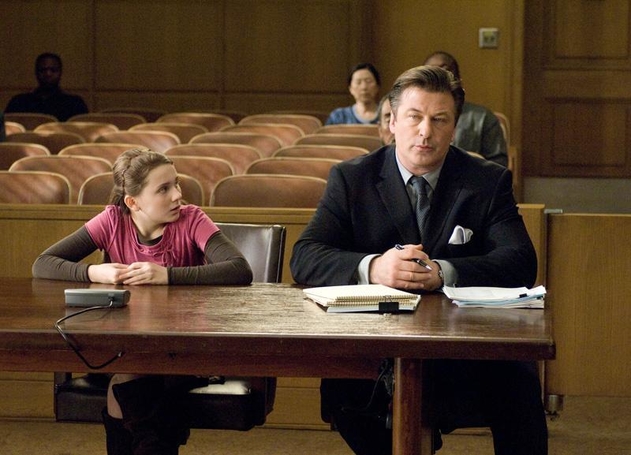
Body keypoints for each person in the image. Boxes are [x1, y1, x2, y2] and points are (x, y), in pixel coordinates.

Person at [290, 66, 547, 455]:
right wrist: (374, 267)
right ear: (392, 122)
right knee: (348, 395)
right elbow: (306, 255)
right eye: (414, 117)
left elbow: (520, 261)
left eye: (439, 120)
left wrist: (444, 272)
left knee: (519, 383)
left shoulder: (486, 180)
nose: (426, 131)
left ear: (454, 128)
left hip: (464, 344)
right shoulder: (352, 179)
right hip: (376, 342)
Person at [32, 148, 253, 455]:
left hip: (183, 349)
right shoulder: (112, 221)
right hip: (126, 346)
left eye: (176, 184)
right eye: (164, 189)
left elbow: (239, 269)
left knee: (124, 386)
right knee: (139, 388)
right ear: (133, 202)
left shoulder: (191, 219)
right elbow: (43, 263)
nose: (178, 195)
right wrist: (94, 271)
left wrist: (168, 276)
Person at [424, 51, 508, 166]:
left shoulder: (483, 118)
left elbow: (499, 165)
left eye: (444, 72)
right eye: (431, 75)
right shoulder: (409, 118)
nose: (438, 81)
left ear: (458, 81)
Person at [5, 52, 88, 121]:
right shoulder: (19, 102)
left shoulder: (75, 104)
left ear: (60, 72)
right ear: (36, 72)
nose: (48, 74)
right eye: (43, 70)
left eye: (53, 70)